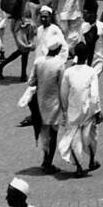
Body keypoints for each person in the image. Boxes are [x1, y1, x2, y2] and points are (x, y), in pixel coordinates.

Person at [57, 43, 103, 177]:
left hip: (73, 111)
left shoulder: (68, 72)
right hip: (87, 110)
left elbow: (63, 93)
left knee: (73, 139)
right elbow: (94, 94)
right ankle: (92, 161)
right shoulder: (91, 72)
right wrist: (98, 111)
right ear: (87, 55)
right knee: (90, 137)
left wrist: (66, 109)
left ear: (76, 55)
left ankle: (78, 167)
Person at [26, 36, 66, 171]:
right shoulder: (60, 64)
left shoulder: (38, 62)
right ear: (59, 49)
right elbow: (62, 86)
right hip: (54, 104)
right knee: (53, 134)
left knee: (44, 133)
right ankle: (48, 163)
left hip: (40, 102)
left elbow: (31, 81)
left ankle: (45, 159)